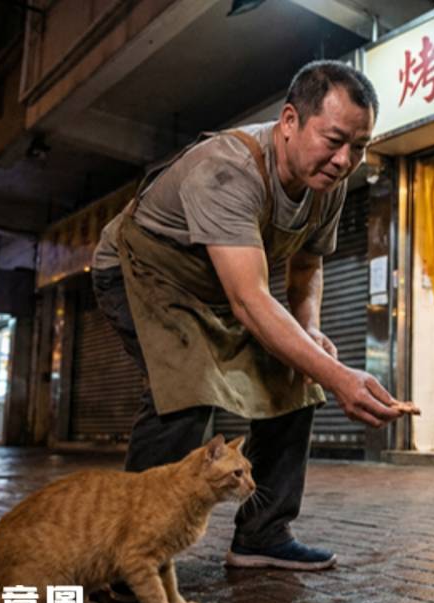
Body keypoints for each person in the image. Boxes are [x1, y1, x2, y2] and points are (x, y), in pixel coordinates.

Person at [90, 60, 402, 575]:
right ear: (288, 122)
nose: (346, 159)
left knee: (299, 374)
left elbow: (306, 268)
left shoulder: (329, 180)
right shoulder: (227, 169)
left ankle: (263, 533)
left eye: (360, 146)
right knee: (185, 396)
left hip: (220, 288)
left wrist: (311, 329)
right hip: (140, 273)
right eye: (334, 139)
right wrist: (341, 377)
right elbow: (251, 301)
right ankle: (131, 554)